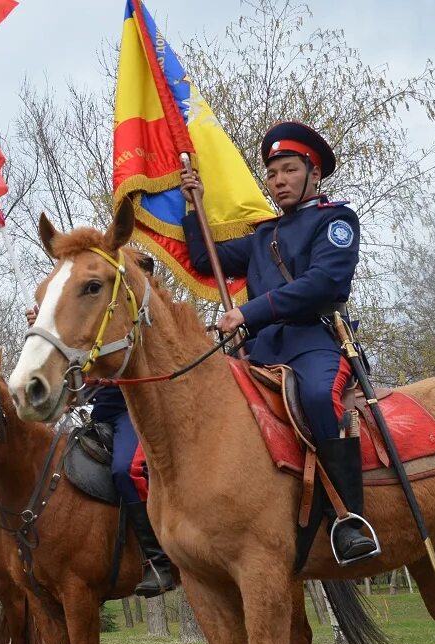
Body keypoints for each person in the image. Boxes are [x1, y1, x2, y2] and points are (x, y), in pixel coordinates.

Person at [180, 120, 378, 564]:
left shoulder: (337, 220)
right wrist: (193, 204)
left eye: (289, 170)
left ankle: (348, 519)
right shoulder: (261, 237)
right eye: (271, 174)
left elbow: (322, 283)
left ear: (314, 174)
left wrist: (247, 313)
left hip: (313, 342)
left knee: (315, 396)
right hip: (260, 352)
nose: (278, 181)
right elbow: (201, 256)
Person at [25, 273, 177, 597]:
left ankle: (159, 561)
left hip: (133, 412)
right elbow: (76, 373)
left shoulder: (139, 320)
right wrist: (44, 329)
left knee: (127, 469)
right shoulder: (90, 330)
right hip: (98, 415)